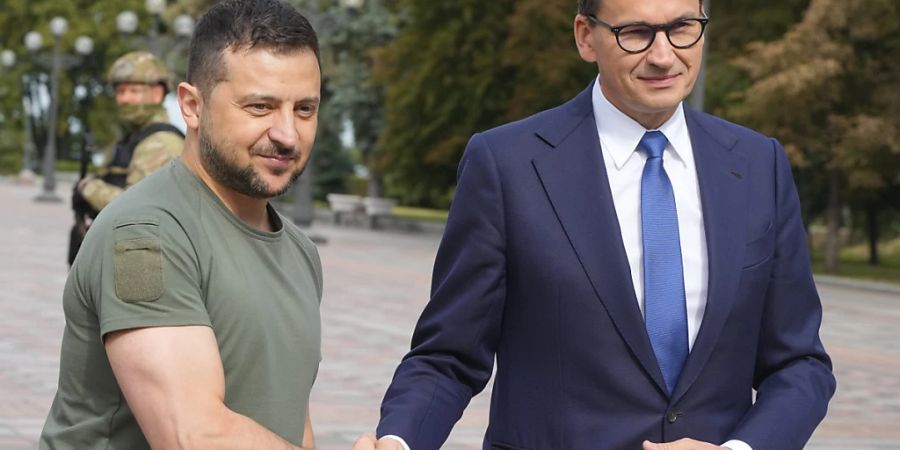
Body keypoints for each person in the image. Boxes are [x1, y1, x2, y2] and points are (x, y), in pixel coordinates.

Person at [354, 0, 836, 449]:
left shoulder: (758, 164)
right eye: (637, 33)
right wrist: (398, 442)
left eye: (683, 29)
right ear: (586, 37)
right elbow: (449, 356)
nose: (664, 56)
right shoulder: (506, 165)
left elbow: (798, 363)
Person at [40, 0, 323, 448]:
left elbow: (289, 423)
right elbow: (192, 436)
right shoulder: (143, 235)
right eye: (259, 107)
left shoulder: (300, 253)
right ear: (192, 106)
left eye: (304, 109)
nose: (287, 134)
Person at [69, 51, 184, 264]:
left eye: (133, 91)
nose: (124, 99)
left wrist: (87, 189)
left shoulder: (161, 143)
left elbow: (137, 208)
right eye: (120, 92)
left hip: (142, 261)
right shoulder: (131, 139)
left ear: (157, 93)